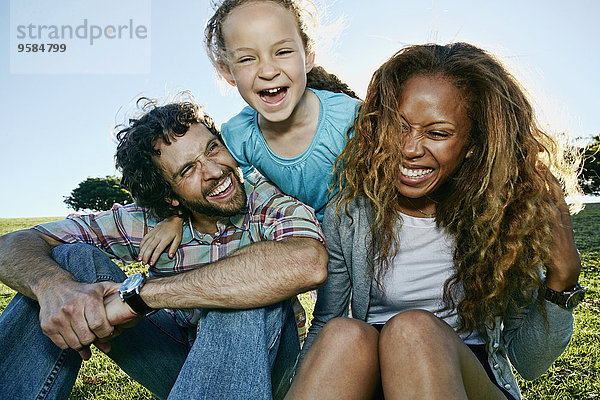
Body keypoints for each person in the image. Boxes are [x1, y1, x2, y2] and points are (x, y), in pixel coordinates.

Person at [285, 43, 584, 400]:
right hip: (373, 373)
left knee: (412, 332)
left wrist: (562, 282)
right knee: (342, 334)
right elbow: (325, 320)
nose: (409, 148)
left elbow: (529, 362)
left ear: (475, 143)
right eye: (398, 126)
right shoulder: (350, 214)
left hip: (467, 379)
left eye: (437, 133)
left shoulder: (505, 218)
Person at [0, 99, 328, 400]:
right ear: (170, 197)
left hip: (271, 371)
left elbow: (308, 261)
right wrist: (53, 288)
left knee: (244, 287)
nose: (215, 171)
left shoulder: (264, 195)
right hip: (180, 363)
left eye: (213, 148)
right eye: (188, 170)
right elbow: (12, 245)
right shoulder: (147, 221)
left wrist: (142, 296)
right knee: (66, 260)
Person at [138, 0, 361, 265]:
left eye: (283, 51)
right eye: (247, 59)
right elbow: (212, 186)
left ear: (308, 54)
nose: (268, 71)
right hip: (303, 244)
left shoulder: (350, 116)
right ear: (227, 72)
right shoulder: (237, 136)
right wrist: (176, 218)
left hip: (363, 238)